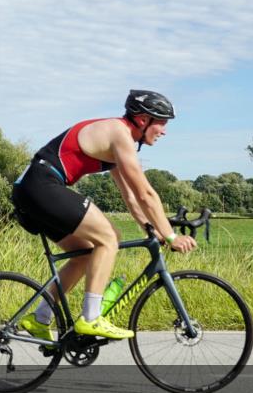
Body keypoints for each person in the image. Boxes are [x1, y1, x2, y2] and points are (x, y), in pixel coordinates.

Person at [10, 90, 197, 341]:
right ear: (143, 120)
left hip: (31, 190)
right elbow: (146, 194)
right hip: (42, 185)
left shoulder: (118, 139)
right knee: (109, 238)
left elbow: (130, 197)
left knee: (86, 253)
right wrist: (171, 235)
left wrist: (148, 227)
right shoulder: (119, 134)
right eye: (161, 122)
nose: (164, 130)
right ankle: (91, 318)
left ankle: (39, 318)